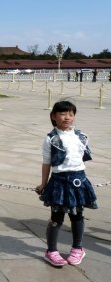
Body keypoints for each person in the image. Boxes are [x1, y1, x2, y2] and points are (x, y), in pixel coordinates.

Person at [35, 100, 98, 267]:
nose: (67, 117)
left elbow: (81, 158)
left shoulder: (81, 136)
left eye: (71, 114)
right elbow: (46, 162)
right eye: (63, 114)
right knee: (56, 217)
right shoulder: (51, 139)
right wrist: (43, 183)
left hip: (79, 180)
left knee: (77, 215)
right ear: (53, 117)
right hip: (59, 181)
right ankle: (51, 251)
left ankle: (78, 249)